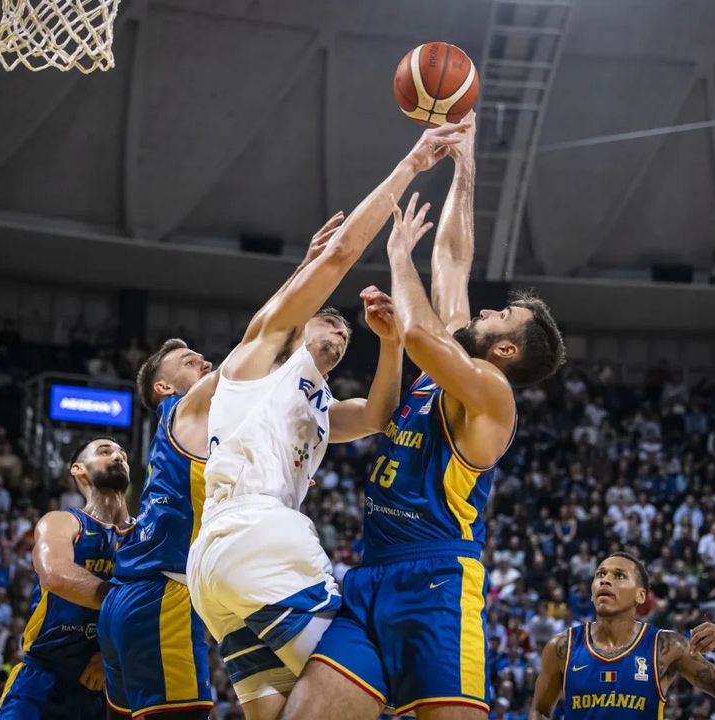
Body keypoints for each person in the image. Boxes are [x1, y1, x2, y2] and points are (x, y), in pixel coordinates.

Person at [284, 113, 565, 720]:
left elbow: (416, 332)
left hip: (437, 583)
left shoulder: (490, 392)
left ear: (505, 351)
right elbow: (454, 257)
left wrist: (396, 255)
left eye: (499, 318)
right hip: (371, 575)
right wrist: (466, 168)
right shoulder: (455, 359)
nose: (483, 311)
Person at [188, 120, 471, 720]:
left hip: (217, 565)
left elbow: (378, 416)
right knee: (362, 683)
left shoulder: (315, 404)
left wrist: (390, 344)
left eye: (347, 335)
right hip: (259, 536)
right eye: (330, 321)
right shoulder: (261, 352)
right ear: (298, 322)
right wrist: (413, 164)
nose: (342, 332)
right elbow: (342, 254)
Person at [98, 212, 348, 720]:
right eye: (189, 361)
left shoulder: (208, 430)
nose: (206, 363)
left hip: (141, 593)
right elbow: (267, 337)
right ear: (163, 387)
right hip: (165, 590)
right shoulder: (186, 407)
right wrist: (308, 268)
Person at [0, 437, 134, 720]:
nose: (118, 456)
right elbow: (56, 576)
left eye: (122, 454)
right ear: (78, 469)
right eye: (105, 451)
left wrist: (111, 656)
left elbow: (165, 608)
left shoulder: (144, 534)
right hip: (44, 677)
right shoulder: (63, 521)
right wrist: (133, 602)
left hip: (112, 687)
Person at [530, 553, 715, 717]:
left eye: (619, 575)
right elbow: (540, 710)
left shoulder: (667, 646)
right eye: (600, 574)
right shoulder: (562, 646)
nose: (605, 580)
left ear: (640, 596)